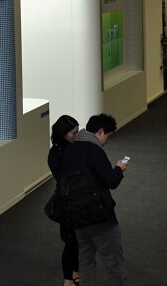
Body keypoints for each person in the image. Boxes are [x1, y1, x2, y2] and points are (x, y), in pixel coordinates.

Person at [60, 113, 129, 286]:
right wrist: (119, 168)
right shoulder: (94, 150)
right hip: (98, 215)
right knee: (114, 262)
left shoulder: (70, 150)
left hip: (76, 215)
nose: (106, 141)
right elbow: (111, 181)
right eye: (108, 136)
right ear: (100, 131)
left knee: (86, 259)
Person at [49, 114, 81, 286]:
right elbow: (63, 178)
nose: (77, 135)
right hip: (67, 203)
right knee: (70, 242)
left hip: (78, 200)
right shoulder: (55, 154)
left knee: (77, 241)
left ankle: (75, 272)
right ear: (63, 133)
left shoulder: (73, 147)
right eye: (74, 133)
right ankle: (68, 280)